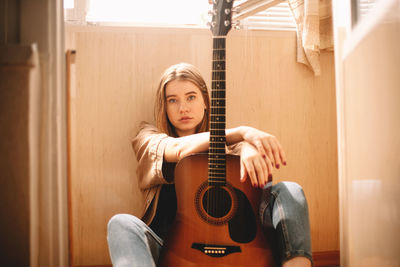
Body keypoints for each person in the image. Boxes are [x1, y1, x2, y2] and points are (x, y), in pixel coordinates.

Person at [107, 63, 312, 267]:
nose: (183, 107)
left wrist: (248, 146)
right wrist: (240, 132)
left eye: (191, 97)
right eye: (173, 100)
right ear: (164, 106)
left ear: (205, 101)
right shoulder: (147, 137)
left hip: (235, 253)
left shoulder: (232, 148)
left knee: (289, 190)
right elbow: (179, 149)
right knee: (121, 223)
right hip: (168, 254)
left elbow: (256, 177)